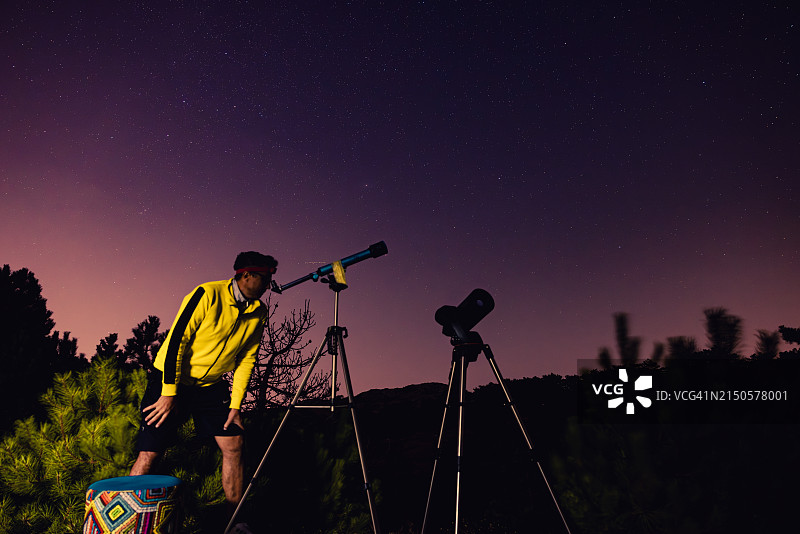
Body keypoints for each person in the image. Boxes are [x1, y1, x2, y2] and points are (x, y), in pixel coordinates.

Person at [130, 251, 277, 526]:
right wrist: (169, 392)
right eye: (265, 278)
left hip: (210, 387)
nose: (268, 285)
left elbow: (247, 359)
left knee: (234, 444)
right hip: (172, 379)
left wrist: (235, 406)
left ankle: (235, 524)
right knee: (150, 451)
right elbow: (176, 341)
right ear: (246, 275)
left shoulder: (259, 311)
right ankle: (129, 524)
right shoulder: (206, 294)